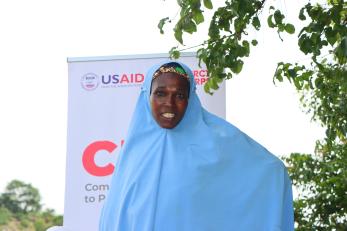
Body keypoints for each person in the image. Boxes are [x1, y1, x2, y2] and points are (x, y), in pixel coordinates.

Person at [99, 61, 294, 231]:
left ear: (190, 99)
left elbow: (268, 170)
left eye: (180, 95)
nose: (169, 103)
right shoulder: (132, 154)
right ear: (147, 96)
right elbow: (114, 218)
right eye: (160, 93)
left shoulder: (215, 144)